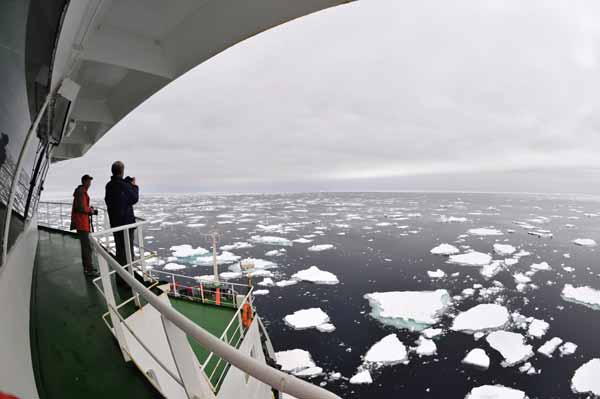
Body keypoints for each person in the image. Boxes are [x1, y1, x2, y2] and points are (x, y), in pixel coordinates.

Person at [104, 161, 139, 281]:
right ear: (122, 171)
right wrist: (134, 186)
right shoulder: (124, 185)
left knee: (120, 251)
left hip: (115, 224)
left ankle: (119, 278)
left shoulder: (109, 185)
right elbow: (133, 198)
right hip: (126, 224)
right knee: (127, 253)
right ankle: (127, 280)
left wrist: (127, 183)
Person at [70, 174, 99, 277]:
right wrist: (91, 211)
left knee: (86, 247)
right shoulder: (81, 192)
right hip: (82, 223)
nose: (90, 183)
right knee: (86, 247)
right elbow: (81, 208)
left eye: (90, 181)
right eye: (88, 181)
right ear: (84, 181)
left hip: (83, 223)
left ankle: (87, 267)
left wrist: (88, 209)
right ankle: (89, 270)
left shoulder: (82, 192)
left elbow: (81, 207)